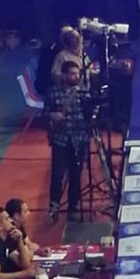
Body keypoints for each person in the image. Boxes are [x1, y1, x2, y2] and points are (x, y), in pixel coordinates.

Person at [44, 59, 87, 223]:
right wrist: (52, 115)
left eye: (77, 74)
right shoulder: (53, 92)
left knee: (76, 174)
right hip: (60, 139)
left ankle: (73, 207)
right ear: (63, 75)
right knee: (57, 175)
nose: (76, 77)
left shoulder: (83, 92)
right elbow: (44, 113)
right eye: (72, 74)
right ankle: (54, 206)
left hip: (79, 138)